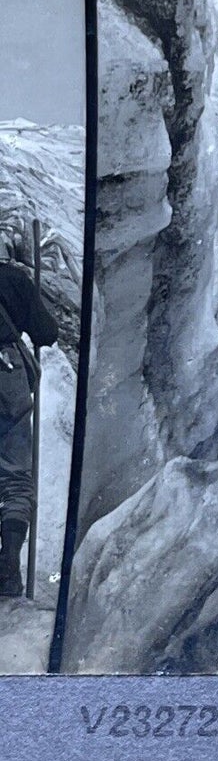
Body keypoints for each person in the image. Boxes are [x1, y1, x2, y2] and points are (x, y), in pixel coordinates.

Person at [0, 242, 58, 598]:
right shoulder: (14, 279)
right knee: (15, 476)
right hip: (6, 376)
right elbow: (47, 334)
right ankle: (8, 572)